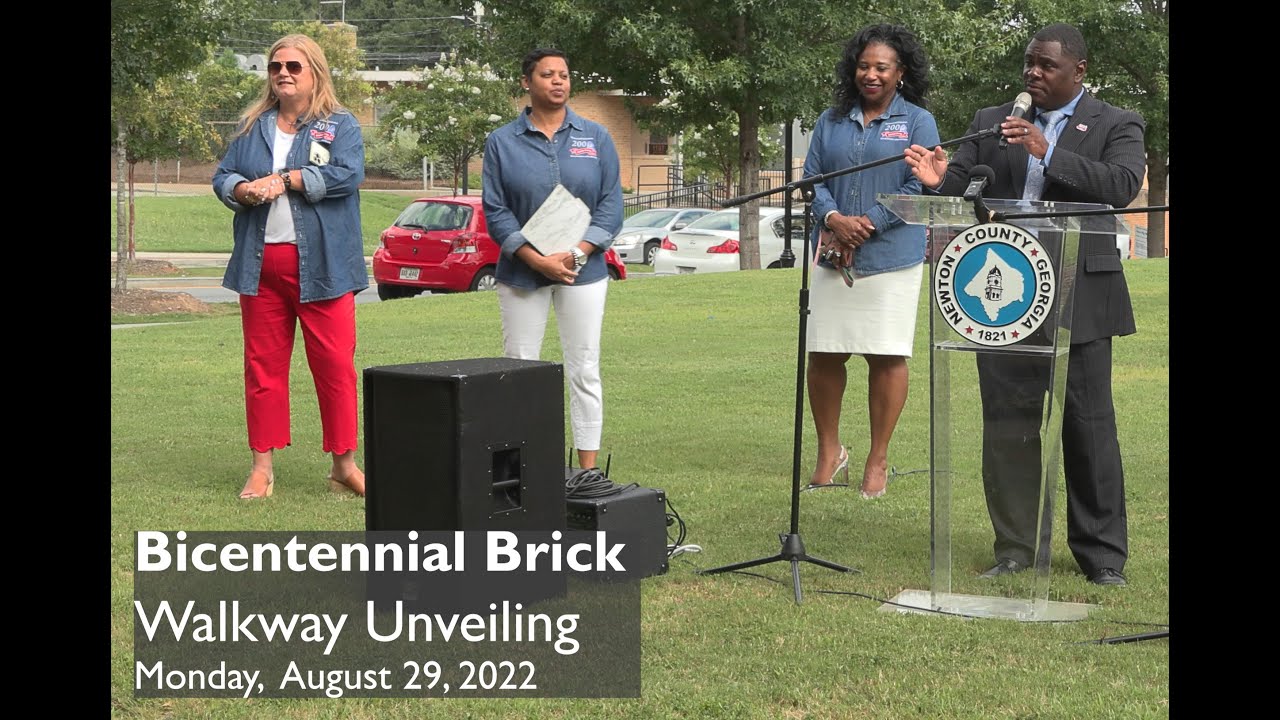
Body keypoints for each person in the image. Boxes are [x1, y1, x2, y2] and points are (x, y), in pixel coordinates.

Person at [903, 23, 1145, 585]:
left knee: (1087, 426)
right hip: (1005, 292)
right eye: (1029, 63)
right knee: (1009, 425)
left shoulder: (1116, 122)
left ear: (1078, 72)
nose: (1033, 73)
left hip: (1081, 293)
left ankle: (1103, 557)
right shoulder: (992, 121)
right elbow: (962, 192)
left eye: (1046, 65)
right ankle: (1015, 548)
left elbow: (1121, 185)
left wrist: (1049, 150)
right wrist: (940, 183)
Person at [212, 34, 368, 499]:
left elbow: (348, 174)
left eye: (294, 66)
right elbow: (224, 176)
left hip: (324, 267)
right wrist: (241, 191)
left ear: (315, 72)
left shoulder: (340, 125)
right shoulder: (252, 126)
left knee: (336, 367)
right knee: (262, 368)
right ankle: (262, 467)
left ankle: (344, 464)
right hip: (261, 267)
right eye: (276, 66)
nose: (283, 73)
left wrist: (288, 179)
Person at [802, 24, 940, 499]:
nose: (871, 74)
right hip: (835, 254)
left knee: (886, 355)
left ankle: (877, 459)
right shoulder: (831, 119)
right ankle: (829, 451)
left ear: (900, 73)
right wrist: (836, 218)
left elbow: (917, 186)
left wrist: (868, 224)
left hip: (893, 256)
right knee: (824, 354)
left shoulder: (919, 121)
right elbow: (812, 178)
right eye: (864, 65)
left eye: (882, 67)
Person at [481, 48, 623, 471]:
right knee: (520, 369)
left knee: (584, 366)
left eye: (564, 74)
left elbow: (611, 205)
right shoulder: (502, 142)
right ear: (528, 82)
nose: (558, 81)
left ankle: (588, 470)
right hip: (523, 274)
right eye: (548, 74)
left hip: (586, 271)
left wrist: (579, 254)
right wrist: (536, 260)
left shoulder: (595, 137)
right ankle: (522, 468)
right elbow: (496, 210)